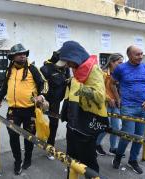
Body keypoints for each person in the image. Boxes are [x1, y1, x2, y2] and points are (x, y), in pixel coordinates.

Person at [0, 43, 48, 175]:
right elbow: (5, 86)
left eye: (24, 53)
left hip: (30, 110)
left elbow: (44, 84)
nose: (23, 55)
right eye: (19, 54)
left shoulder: (32, 69)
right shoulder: (9, 70)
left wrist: (41, 95)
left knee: (29, 136)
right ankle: (17, 161)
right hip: (13, 110)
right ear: (13, 56)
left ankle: (28, 158)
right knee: (13, 136)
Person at [59, 41, 109, 174]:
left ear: (75, 57)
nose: (68, 65)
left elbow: (99, 96)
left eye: (69, 61)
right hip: (75, 121)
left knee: (88, 162)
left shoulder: (94, 70)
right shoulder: (78, 69)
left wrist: (78, 87)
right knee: (71, 157)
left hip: (89, 122)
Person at [112, 45, 145, 174]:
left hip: (143, 108)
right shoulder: (121, 68)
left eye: (141, 54)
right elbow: (112, 83)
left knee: (139, 137)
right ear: (129, 55)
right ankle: (118, 156)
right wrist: (117, 98)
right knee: (127, 135)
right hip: (128, 107)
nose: (140, 56)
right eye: (137, 54)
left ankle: (133, 160)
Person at [40, 50, 70, 160]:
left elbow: (67, 81)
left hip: (59, 100)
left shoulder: (65, 68)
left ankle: (50, 146)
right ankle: (48, 147)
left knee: (54, 124)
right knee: (47, 122)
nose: (66, 65)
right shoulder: (45, 69)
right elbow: (41, 85)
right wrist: (43, 99)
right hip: (47, 100)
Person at [96, 53, 123, 156]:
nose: (121, 65)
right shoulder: (102, 73)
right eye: (119, 62)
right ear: (112, 62)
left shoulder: (119, 74)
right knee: (105, 126)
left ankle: (113, 148)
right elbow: (99, 89)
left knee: (116, 127)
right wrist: (108, 98)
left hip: (115, 103)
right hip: (104, 103)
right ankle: (96, 144)